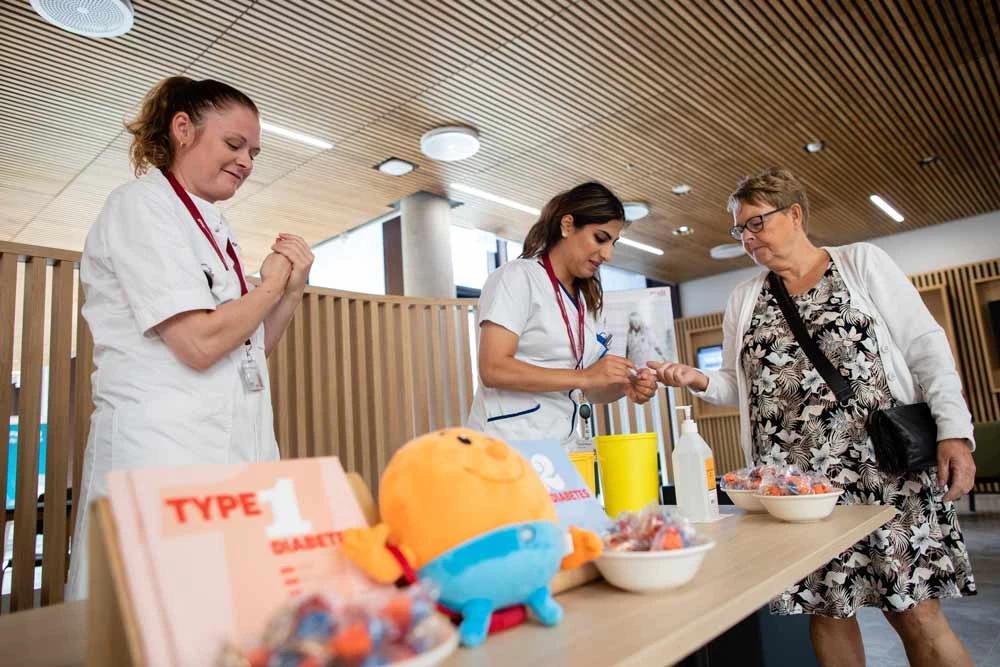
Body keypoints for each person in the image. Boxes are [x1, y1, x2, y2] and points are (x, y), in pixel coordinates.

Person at [650, 168, 977, 667]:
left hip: (884, 470)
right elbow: (742, 389)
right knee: (826, 612)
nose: (748, 239)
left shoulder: (860, 264)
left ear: (795, 214)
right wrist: (697, 379)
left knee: (916, 613)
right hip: (795, 487)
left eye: (756, 224)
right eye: (740, 230)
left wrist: (954, 432)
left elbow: (926, 348)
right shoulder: (745, 297)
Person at [66, 77, 314, 599]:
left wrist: (290, 292)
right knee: (146, 615)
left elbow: (249, 348)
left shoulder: (214, 228)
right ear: (183, 129)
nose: (246, 162)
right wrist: (268, 284)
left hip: (232, 447)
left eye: (254, 153)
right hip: (163, 448)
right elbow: (199, 344)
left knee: (225, 613)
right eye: (233, 144)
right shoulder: (140, 206)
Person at [467, 182, 658, 444]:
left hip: (560, 448)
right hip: (507, 445)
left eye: (614, 243)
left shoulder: (586, 302)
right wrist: (584, 377)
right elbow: (493, 368)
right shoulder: (517, 277)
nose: (608, 254)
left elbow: (592, 390)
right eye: (600, 238)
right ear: (567, 225)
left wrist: (623, 385)